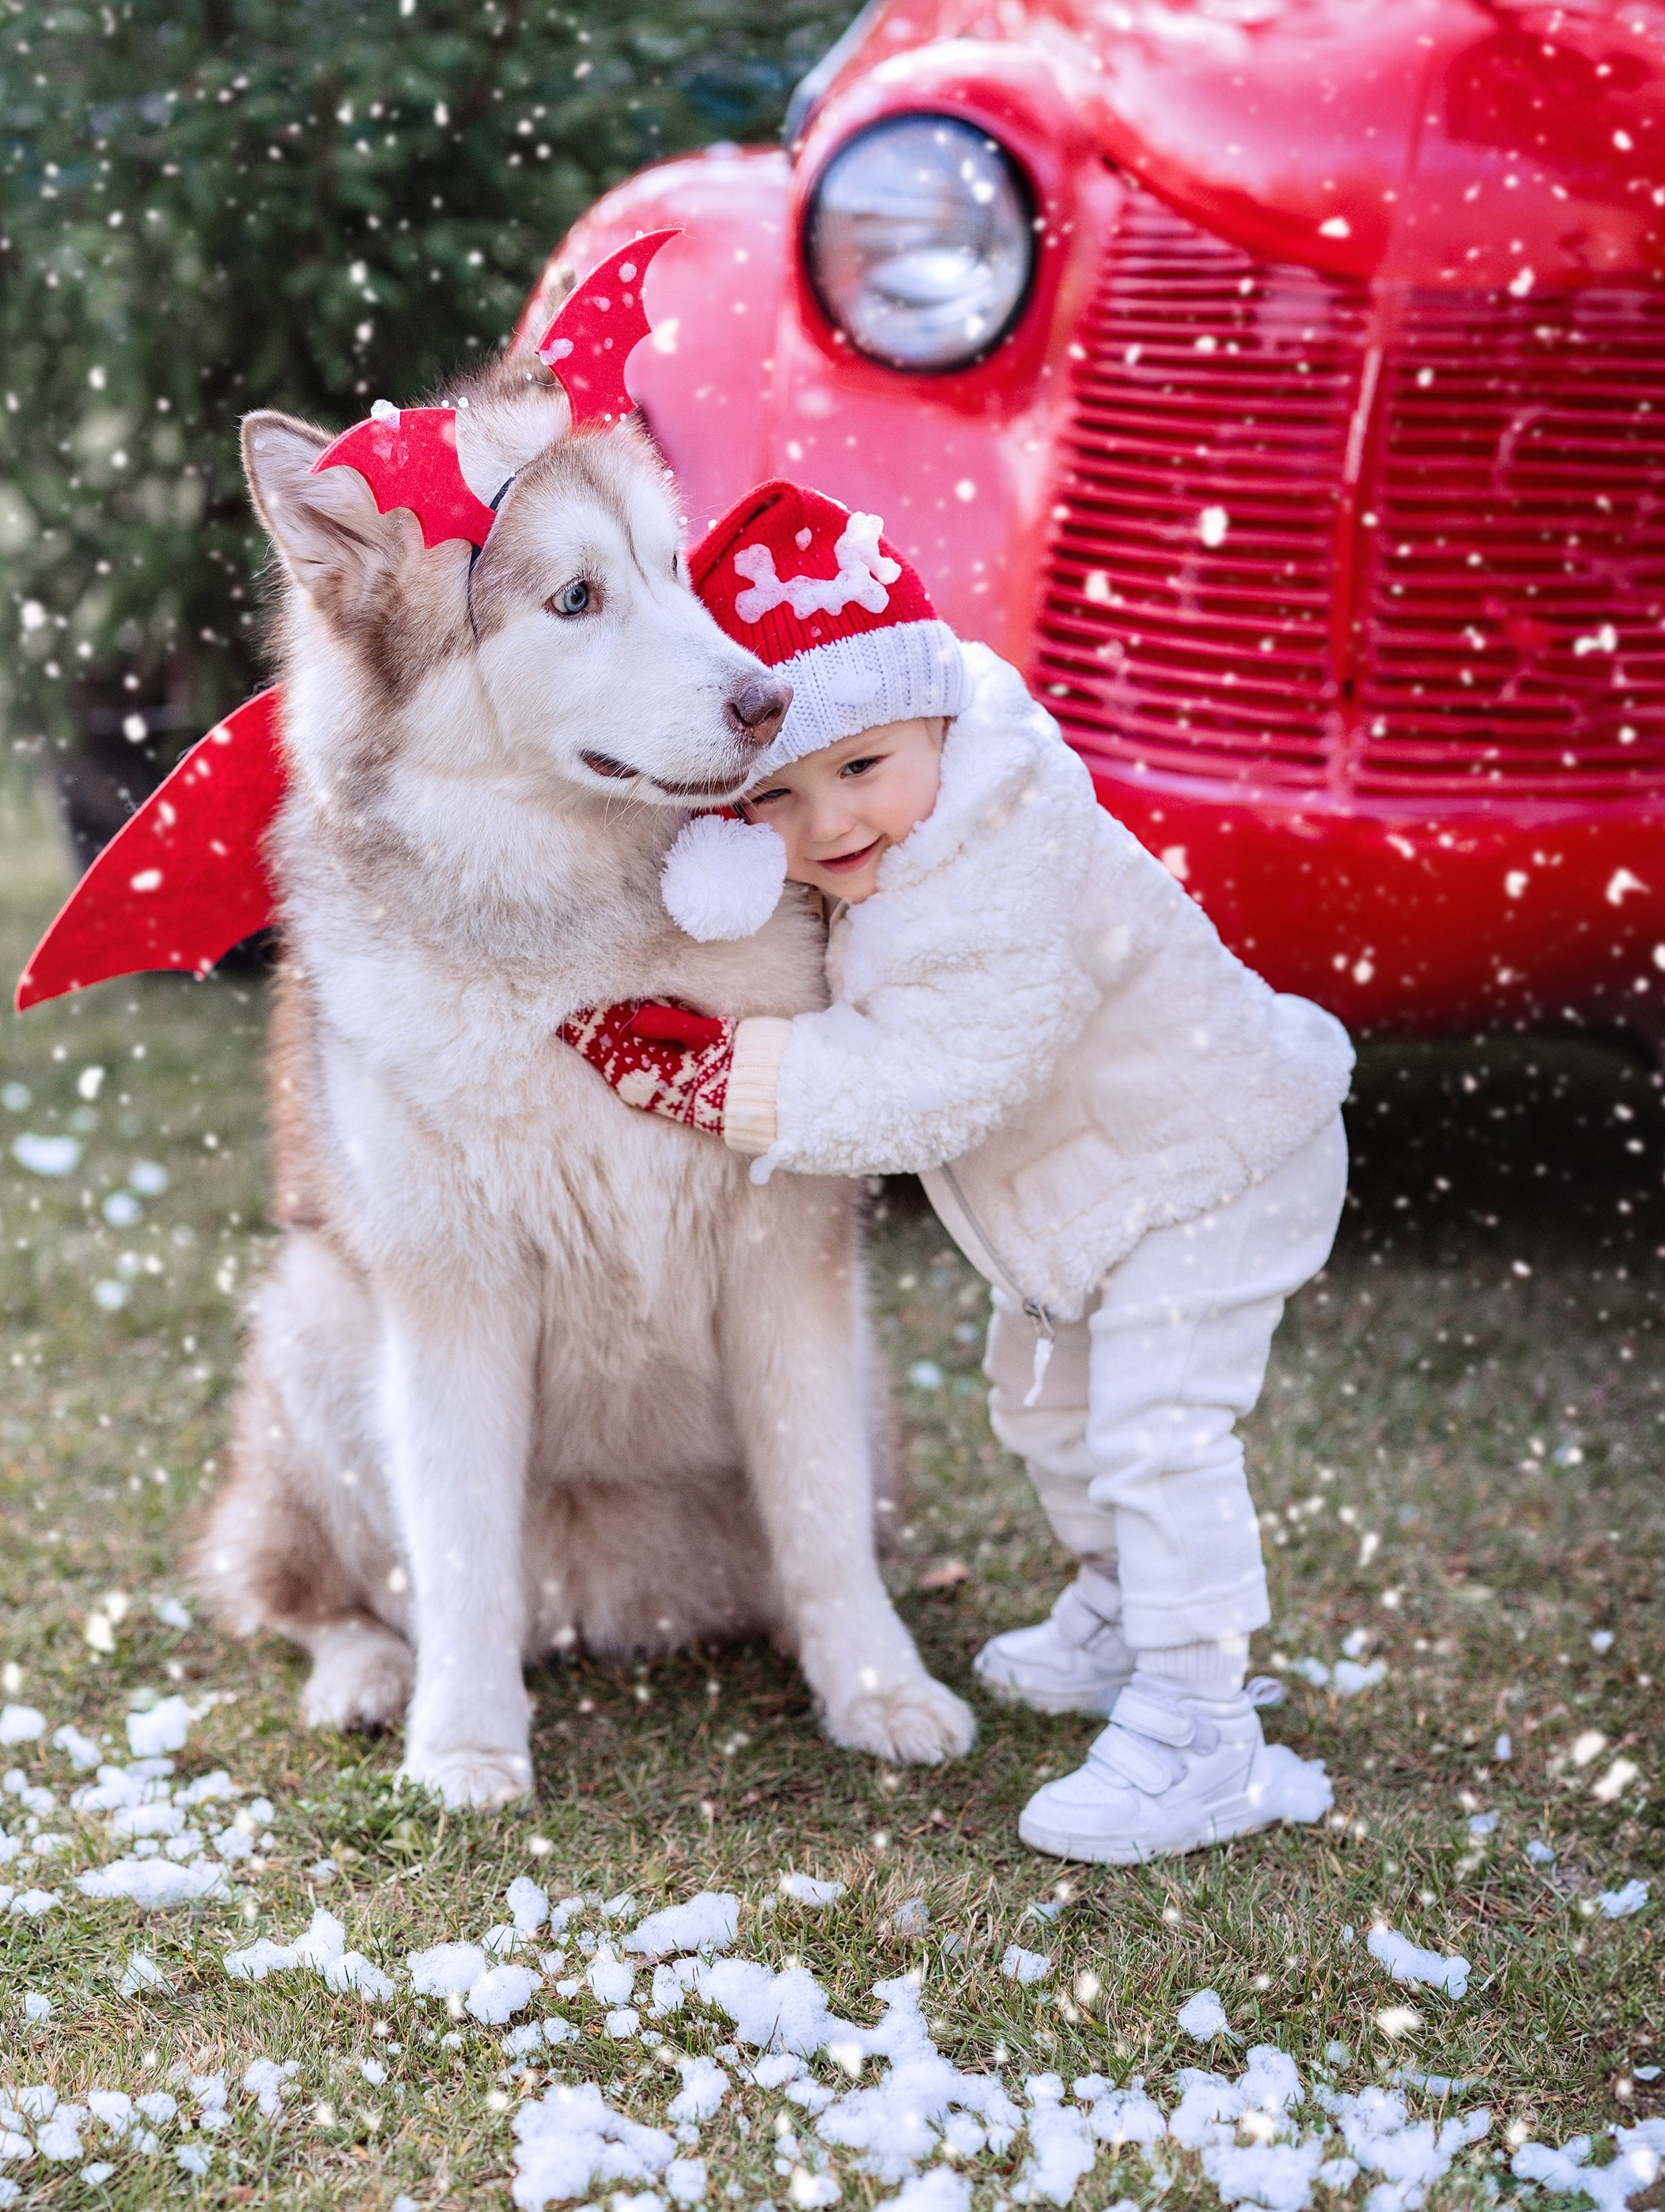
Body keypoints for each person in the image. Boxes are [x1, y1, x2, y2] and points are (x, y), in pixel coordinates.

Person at [558, 479, 1353, 1864]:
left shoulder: (1008, 852)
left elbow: (934, 1085)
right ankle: (1121, 1599)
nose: (831, 825)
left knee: (1159, 1426)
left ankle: (1201, 1722)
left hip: (1221, 1158)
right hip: (1094, 1199)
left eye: (861, 767)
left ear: (938, 718)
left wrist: (723, 1079)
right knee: (1044, 1403)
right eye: (783, 802)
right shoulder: (878, 855)